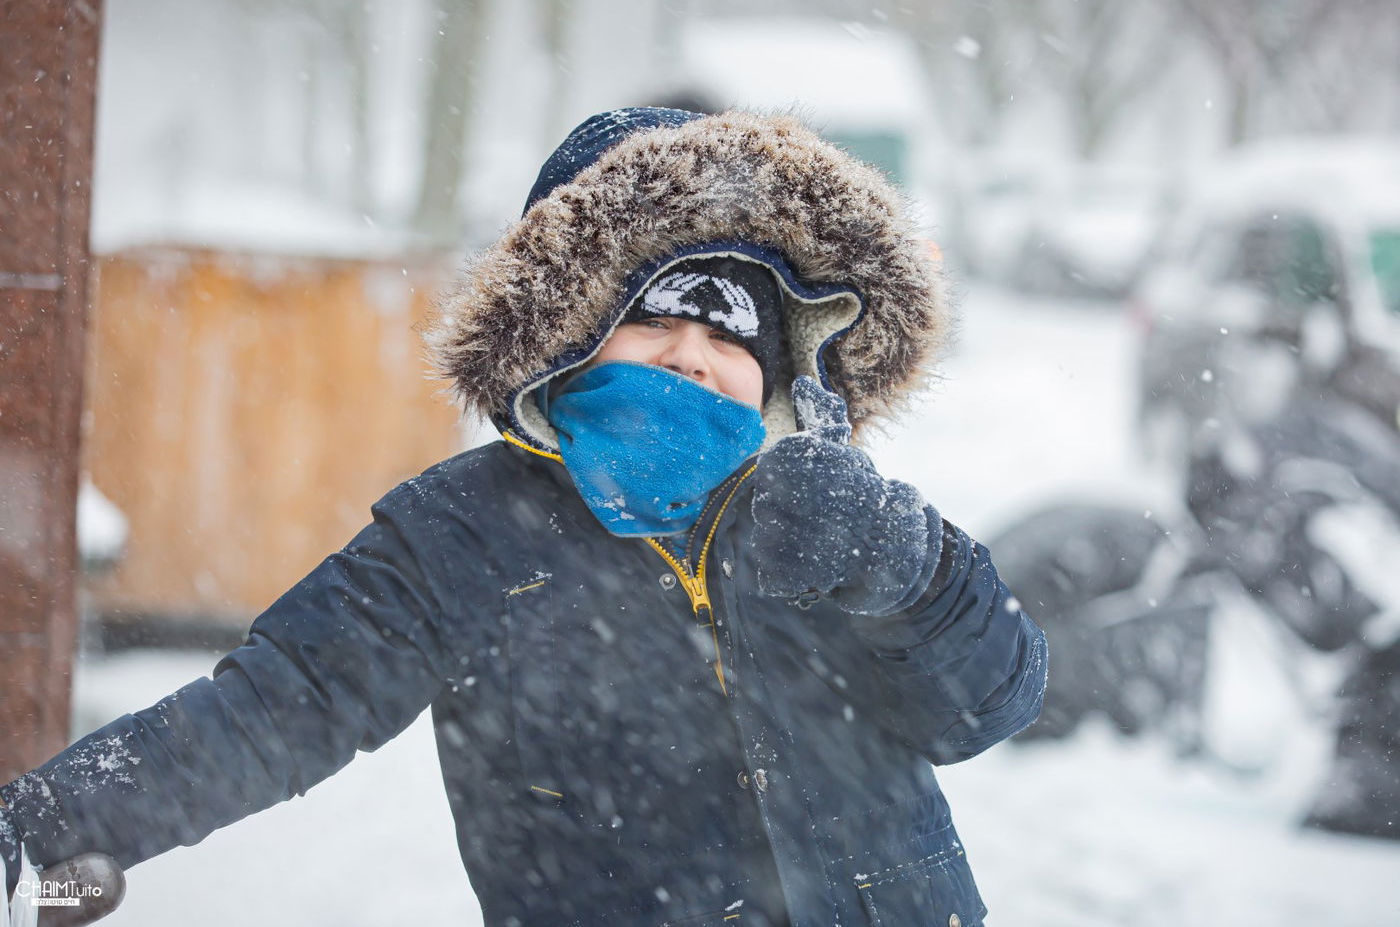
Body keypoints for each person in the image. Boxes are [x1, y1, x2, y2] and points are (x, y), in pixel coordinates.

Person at [1, 107, 1048, 926]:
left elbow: (987, 703)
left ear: (777, 377)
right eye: (655, 315)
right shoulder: (465, 534)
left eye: (735, 335)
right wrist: (38, 834)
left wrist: (910, 566)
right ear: (566, 335)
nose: (694, 352)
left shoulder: (831, 514)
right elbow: (276, 707)